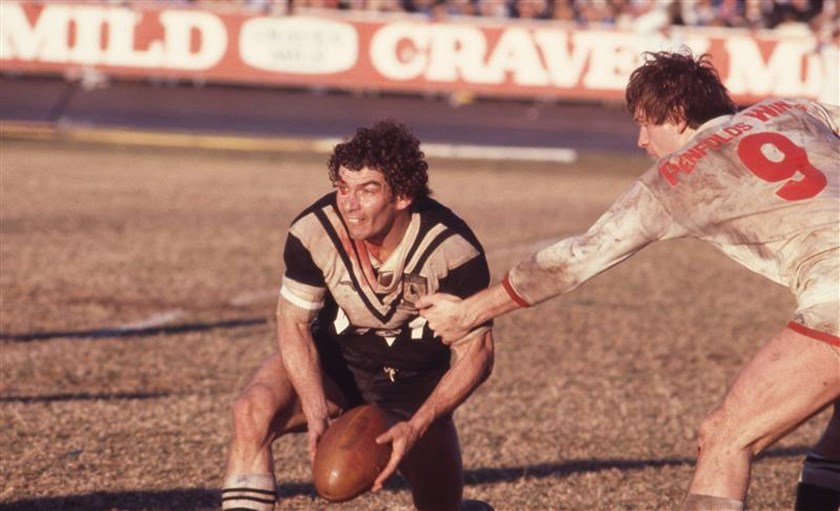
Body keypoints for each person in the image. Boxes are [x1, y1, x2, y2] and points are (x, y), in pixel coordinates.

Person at [418, 50, 840, 511]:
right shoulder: (790, 109)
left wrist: (468, 312)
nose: (640, 140)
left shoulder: (676, 176)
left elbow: (573, 260)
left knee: (724, 438)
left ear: (677, 116)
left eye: (645, 124)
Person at [221, 119, 496, 511]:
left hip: (412, 386)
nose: (348, 204)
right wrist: (315, 410)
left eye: (367, 191)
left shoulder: (452, 250)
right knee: (252, 411)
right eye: (343, 188)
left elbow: (478, 355)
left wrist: (419, 425)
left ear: (402, 195)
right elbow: (294, 324)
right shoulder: (314, 231)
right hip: (336, 365)